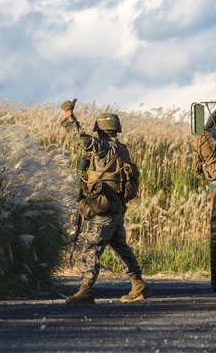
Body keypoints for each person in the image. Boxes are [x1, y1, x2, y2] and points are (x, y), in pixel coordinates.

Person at [60, 99, 151, 305]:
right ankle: (138, 285)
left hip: (104, 206)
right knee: (119, 245)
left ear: (99, 129)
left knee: (91, 246)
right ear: (115, 129)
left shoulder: (103, 147)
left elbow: (82, 140)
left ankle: (86, 290)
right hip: (115, 206)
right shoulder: (121, 148)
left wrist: (69, 115)